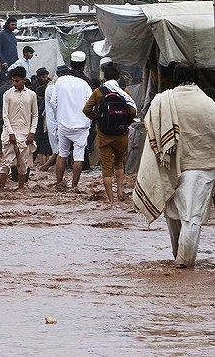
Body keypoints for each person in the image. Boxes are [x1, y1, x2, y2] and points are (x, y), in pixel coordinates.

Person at [134, 62, 215, 268]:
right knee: (192, 216)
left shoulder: (162, 101)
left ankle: (178, 256)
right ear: (196, 77)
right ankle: (184, 260)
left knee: (173, 215)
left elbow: (151, 131)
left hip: (168, 166)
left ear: (175, 77)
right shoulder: (209, 105)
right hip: (202, 168)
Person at [82, 64, 137, 204]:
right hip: (121, 134)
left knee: (106, 168)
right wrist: (125, 123)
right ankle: (120, 191)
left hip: (104, 135)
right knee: (119, 163)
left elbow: (86, 110)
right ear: (117, 78)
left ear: (104, 78)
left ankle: (111, 200)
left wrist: (98, 119)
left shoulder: (98, 92)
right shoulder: (124, 93)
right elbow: (132, 111)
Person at [51, 52, 93, 192]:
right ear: (84, 64)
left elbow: (53, 101)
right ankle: (74, 187)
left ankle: (59, 184)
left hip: (63, 125)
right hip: (81, 126)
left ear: (70, 62)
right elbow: (90, 105)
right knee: (78, 157)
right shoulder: (85, 84)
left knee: (62, 153)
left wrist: (60, 115)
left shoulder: (60, 81)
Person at [0, 67, 38, 191]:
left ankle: (21, 189)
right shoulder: (7, 94)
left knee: (23, 163)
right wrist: (10, 133)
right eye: (13, 81)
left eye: (17, 81)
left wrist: (32, 132)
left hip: (25, 132)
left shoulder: (32, 95)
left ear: (24, 80)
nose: (14, 84)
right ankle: (0, 190)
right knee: (6, 162)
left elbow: (35, 114)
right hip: (9, 131)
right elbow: (5, 115)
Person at [33, 67, 53, 166]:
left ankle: (43, 167)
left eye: (46, 76)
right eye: (43, 77)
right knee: (47, 148)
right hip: (47, 125)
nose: (46, 78)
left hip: (41, 126)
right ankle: (47, 167)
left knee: (42, 148)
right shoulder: (37, 87)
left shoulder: (39, 102)